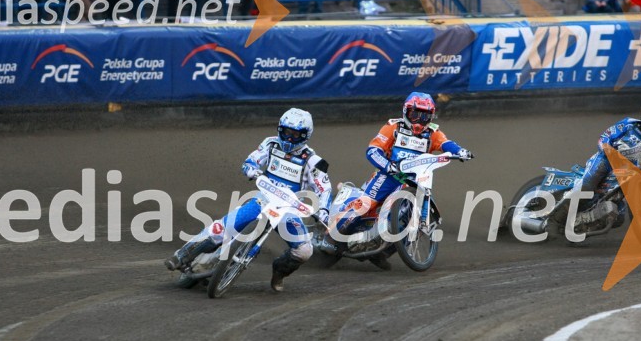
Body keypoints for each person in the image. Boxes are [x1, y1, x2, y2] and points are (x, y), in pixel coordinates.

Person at [165, 108, 333, 292]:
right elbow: (252, 160)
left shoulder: (313, 161)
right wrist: (251, 168)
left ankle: (279, 271)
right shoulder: (270, 144)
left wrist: (324, 211)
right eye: (286, 132)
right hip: (263, 200)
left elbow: (324, 189)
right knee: (220, 228)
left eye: (295, 134)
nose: (289, 138)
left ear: (305, 135)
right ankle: (182, 255)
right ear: (280, 129)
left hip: (288, 210)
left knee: (304, 251)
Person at [334, 92, 473, 261]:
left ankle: (383, 253)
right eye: (415, 114)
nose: (419, 120)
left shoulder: (433, 133)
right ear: (406, 112)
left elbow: (446, 143)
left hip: (414, 182)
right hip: (389, 176)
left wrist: (460, 151)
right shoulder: (393, 127)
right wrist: (388, 166)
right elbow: (373, 150)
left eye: (424, 116)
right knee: (364, 204)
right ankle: (332, 237)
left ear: (431, 117)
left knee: (413, 217)